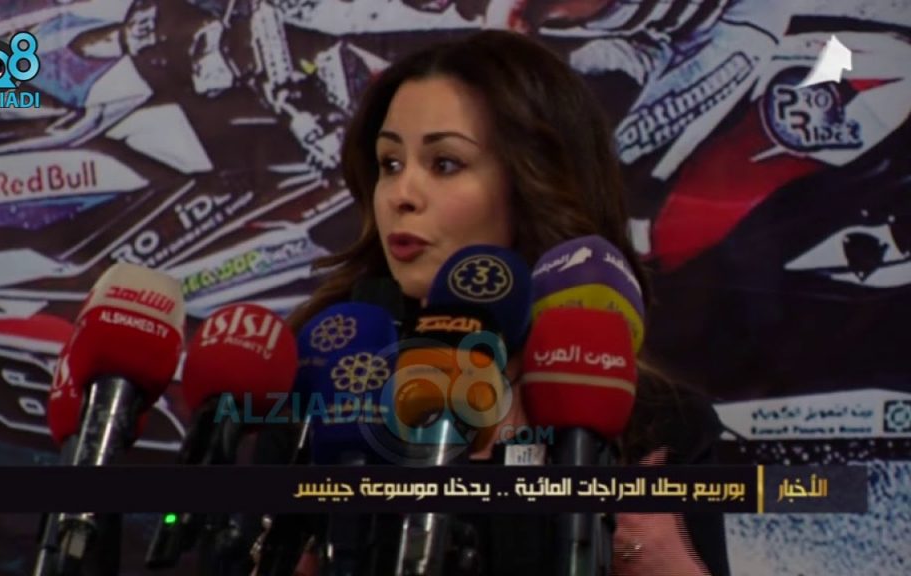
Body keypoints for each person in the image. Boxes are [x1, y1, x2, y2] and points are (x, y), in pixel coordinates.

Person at [285, 29, 729, 576]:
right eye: (390, 163)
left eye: (445, 163)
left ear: (535, 181)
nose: (401, 195)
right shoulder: (324, 382)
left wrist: (642, 549)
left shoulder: (660, 426)